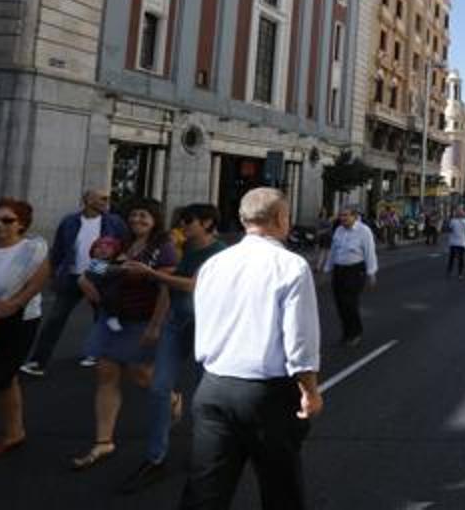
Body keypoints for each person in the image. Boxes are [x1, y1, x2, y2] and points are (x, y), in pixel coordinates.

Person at [180, 188, 321, 509]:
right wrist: (309, 390)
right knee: (280, 489)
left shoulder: (215, 264)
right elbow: (299, 340)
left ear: (245, 220)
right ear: (280, 219)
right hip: (266, 395)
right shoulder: (291, 266)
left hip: (213, 387)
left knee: (205, 491)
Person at [120, 203, 227, 493]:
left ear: (206, 223)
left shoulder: (219, 253)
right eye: (180, 220)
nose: (182, 225)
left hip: (205, 327)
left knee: (203, 394)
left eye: (188, 220)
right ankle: (156, 458)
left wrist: (152, 274)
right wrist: (157, 324)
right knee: (158, 388)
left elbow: (194, 285)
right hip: (176, 323)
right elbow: (172, 287)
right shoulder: (186, 248)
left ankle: (208, 453)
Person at [72, 198, 178, 471]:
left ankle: (172, 397)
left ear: (155, 219)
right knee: (106, 373)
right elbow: (92, 268)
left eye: (144, 215)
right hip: (113, 319)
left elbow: (166, 288)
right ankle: (104, 440)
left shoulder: (163, 248)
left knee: (141, 374)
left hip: (143, 320)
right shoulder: (119, 243)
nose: (138, 220)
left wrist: (156, 325)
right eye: (134, 215)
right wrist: (97, 277)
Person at [21, 189, 128, 377]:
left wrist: (115, 269)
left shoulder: (114, 221)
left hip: (99, 277)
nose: (106, 201)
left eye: (107, 198)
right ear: (87, 200)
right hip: (72, 277)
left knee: (103, 317)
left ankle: (103, 354)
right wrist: (52, 274)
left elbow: (125, 246)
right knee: (55, 319)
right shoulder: (69, 221)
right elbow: (59, 250)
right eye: (102, 197)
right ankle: (38, 362)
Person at [0, 198, 50, 461]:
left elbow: (35, 284)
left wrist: (9, 305)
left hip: (19, 322)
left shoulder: (33, 249)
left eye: (8, 220)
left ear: (21, 224)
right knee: (5, 379)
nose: (0, 225)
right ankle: (14, 432)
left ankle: (14, 433)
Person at [324, 206, 379, 346]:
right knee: (340, 303)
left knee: (350, 303)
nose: (342, 218)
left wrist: (371, 273)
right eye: (341, 215)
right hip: (339, 270)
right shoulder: (339, 230)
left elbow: (369, 252)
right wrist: (328, 267)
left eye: (346, 215)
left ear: (354, 216)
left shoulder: (364, 231)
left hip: (355, 271)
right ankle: (346, 332)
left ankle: (356, 333)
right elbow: (333, 250)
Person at [445, 208, 465, 279]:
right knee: (461, 258)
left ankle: (449, 271)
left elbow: (450, 229)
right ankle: (460, 274)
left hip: (453, 242)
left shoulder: (453, 221)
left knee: (451, 257)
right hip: (462, 242)